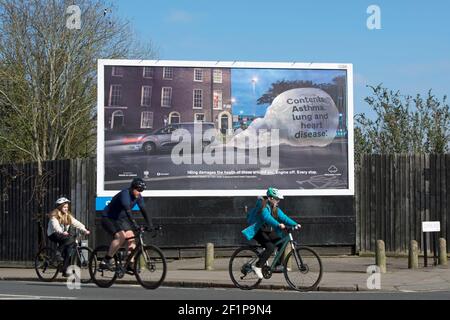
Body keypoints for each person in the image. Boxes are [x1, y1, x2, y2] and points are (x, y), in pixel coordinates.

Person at [242, 187, 300, 279]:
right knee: (270, 247)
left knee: (281, 242)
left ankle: (277, 265)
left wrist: (295, 224)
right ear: (271, 198)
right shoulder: (262, 204)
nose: (278, 201)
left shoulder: (274, 207)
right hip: (257, 230)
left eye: (279, 199)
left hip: (265, 229)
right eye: (277, 199)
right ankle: (257, 266)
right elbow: (266, 217)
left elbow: (283, 217)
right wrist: (278, 225)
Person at [99, 178, 153, 271]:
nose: (139, 193)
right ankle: (105, 261)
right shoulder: (125, 194)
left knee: (131, 237)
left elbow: (144, 210)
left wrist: (150, 225)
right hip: (109, 217)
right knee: (121, 237)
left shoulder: (138, 197)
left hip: (120, 219)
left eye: (141, 191)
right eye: (138, 190)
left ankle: (129, 263)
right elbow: (127, 210)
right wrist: (134, 224)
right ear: (133, 188)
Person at [47, 197, 90, 276]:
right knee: (68, 239)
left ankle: (65, 270)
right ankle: (58, 253)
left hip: (63, 235)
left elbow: (76, 223)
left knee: (69, 250)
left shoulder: (68, 216)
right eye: (64, 207)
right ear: (60, 207)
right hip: (53, 234)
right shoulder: (54, 215)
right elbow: (55, 226)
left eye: (67, 207)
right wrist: (62, 231)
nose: (66, 208)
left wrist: (84, 229)